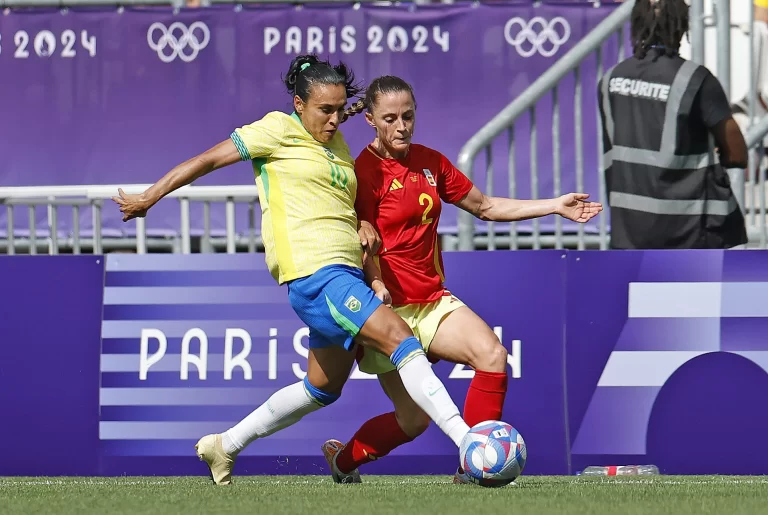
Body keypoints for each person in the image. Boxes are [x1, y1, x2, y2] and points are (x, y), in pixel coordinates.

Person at [111, 55, 472, 485]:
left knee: (321, 387)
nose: (336, 119)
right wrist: (150, 196)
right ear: (299, 105)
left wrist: (362, 228)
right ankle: (470, 444)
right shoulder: (276, 130)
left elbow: (336, 200)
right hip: (316, 274)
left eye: (341, 109)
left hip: (346, 275)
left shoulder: (335, 145)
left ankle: (224, 445)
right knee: (400, 337)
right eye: (326, 110)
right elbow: (207, 160)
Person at [319, 76, 603, 485]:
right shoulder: (361, 173)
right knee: (413, 421)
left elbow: (485, 206)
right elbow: (360, 239)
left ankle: (471, 471)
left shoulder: (432, 162)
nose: (402, 126)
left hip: (432, 302)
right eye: (390, 118)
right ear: (370, 120)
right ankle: (343, 461)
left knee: (492, 356)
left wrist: (554, 206)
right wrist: (374, 279)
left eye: (409, 116)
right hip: (384, 313)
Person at [600, 0, 748, 250]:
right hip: (691, 232)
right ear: (680, 25)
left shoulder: (610, 79)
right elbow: (736, 153)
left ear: (636, 23)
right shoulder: (695, 79)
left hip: (629, 232)